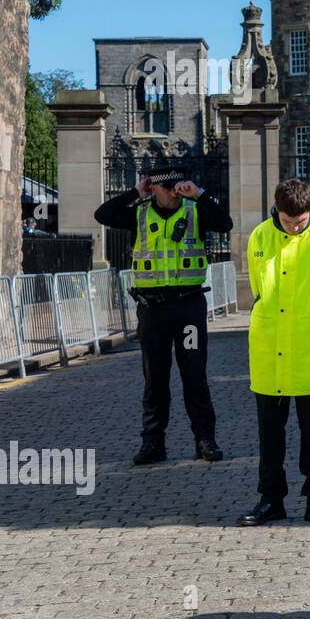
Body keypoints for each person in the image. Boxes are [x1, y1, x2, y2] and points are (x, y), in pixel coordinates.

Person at [94, 163, 232, 465]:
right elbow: (102, 215)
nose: (173, 193)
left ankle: (205, 440)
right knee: (155, 379)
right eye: (166, 187)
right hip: (152, 308)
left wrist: (200, 194)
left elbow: (225, 223)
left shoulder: (195, 210)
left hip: (188, 306)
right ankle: (153, 443)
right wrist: (134, 192)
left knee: (194, 376)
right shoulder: (139, 213)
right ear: (152, 187)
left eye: (177, 186)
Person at [237, 179, 310, 526]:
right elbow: (259, 288)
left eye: (300, 221)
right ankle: (270, 498)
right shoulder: (259, 236)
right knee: (269, 433)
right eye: (289, 221)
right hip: (268, 348)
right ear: (277, 209)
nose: (295, 226)